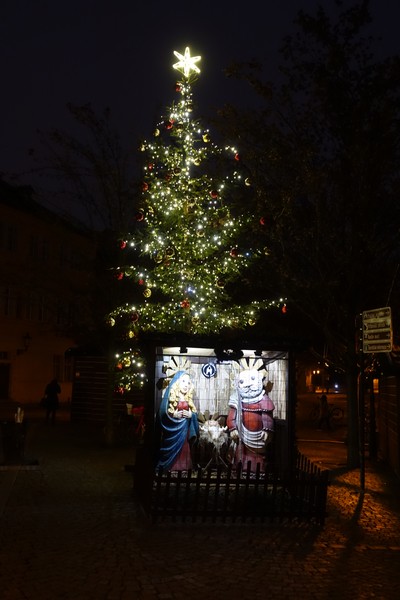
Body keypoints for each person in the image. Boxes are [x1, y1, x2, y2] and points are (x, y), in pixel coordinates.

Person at [227, 363, 275, 471]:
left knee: (258, 456)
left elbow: (267, 416)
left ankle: (257, 471)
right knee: (241, 453)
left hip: (259, 436)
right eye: (242, 381)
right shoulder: (236, 399)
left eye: (252, 379)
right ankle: (241, 470)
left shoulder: (263, 399)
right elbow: (232, 415)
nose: (248, 384)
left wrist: (267, 429)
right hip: (242, 434)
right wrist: (233, 428)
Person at [156, 370, 199, 471]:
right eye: (183, 381)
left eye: (188, 383)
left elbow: (194, 414)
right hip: (173, 431)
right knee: (171, 448)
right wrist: (173, 414)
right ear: (176, 382)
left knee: (184, 448)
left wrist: (191, 415)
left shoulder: (188, 398)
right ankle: (171, 468)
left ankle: (184, 468)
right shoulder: (171, 397)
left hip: (185, 431)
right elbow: (163, 413)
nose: (186, 385)